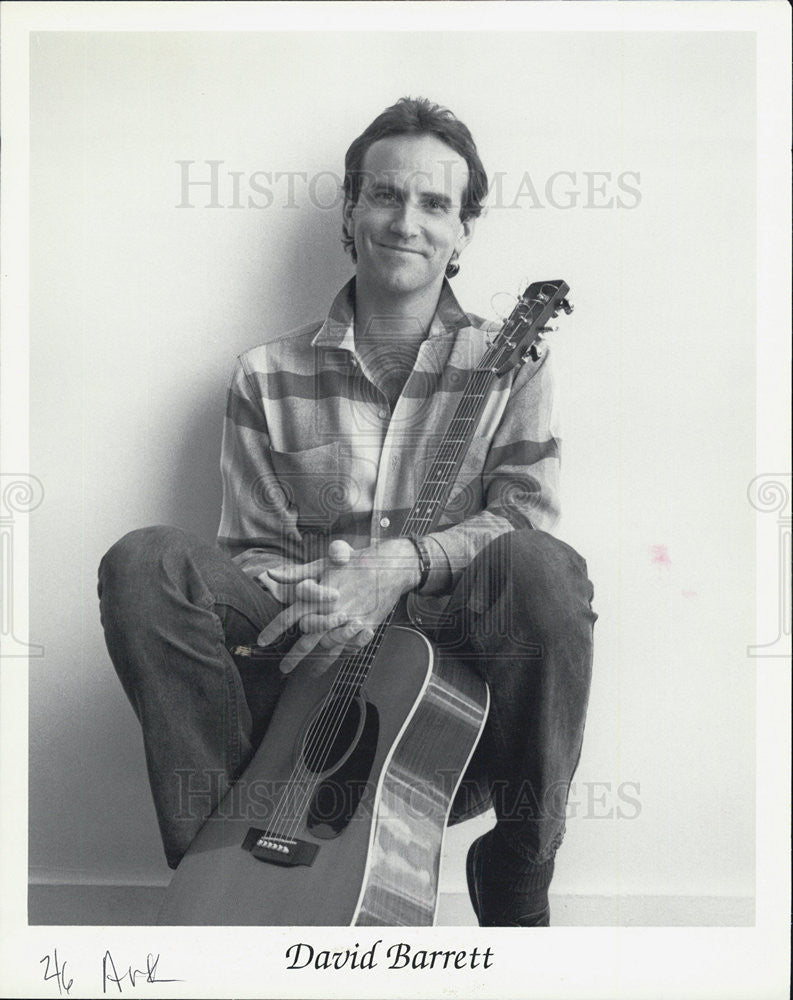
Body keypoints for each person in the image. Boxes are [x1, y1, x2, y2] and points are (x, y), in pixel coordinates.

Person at [98, 96, 596, 927]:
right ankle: (219, 865)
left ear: (464, 230)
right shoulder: (264, 372)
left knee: (541, 567)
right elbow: (249, 552)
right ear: (352, 209)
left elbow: (524, 517)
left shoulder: (511, 362)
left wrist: (399, 565)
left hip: (448, 717)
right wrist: (318, 588)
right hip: (298, 692)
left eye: (435, 203)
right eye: (386, 195)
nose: (407, 221)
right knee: (145, 560)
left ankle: (520, 861)